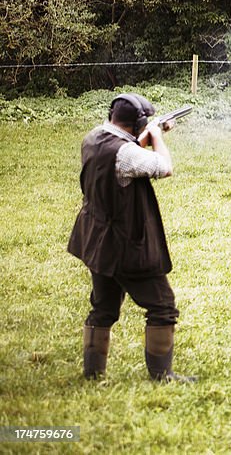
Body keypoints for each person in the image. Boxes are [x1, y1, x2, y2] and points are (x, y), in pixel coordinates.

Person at [67, 93, 194, 382]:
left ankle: (93, 374)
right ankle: (163, 375)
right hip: (125, 244)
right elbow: (164, 167)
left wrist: (146, 136)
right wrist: (157, 136)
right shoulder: (125, 154)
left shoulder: (93, 138)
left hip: (97, 240)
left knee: (103, 308)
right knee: (163, 307)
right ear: (137, 123)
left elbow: (123, 153)